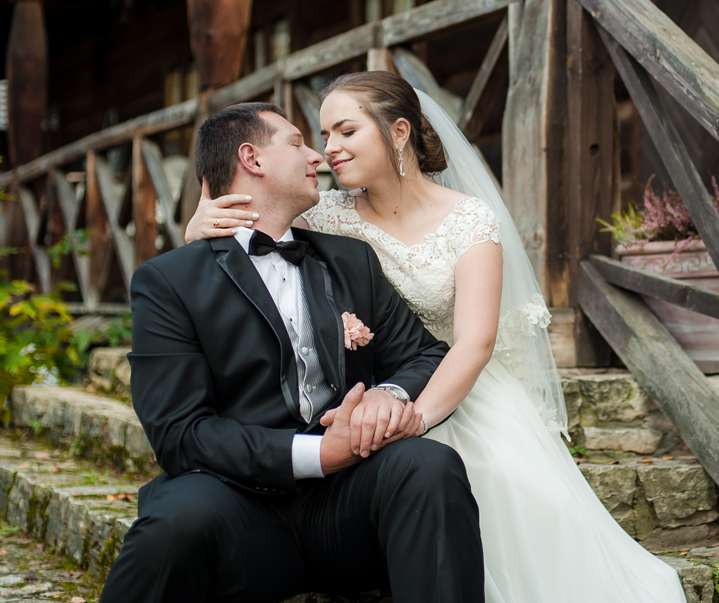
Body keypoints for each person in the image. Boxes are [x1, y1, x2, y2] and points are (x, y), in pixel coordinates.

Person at [188, 72, 686, 603]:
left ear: (398, 131)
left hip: (455, 389)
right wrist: (196, 231)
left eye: (345, 131)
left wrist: (417, 420)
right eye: (323, 134)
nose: (328, 148)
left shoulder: (468, 220)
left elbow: (475, 343)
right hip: (358, 393)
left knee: (503, 482)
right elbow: (254, 240)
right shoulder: (324, 211)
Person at [102, 102, 484, 603]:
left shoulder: (352, 260)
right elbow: (179, 433)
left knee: (428, 465)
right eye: (298, 142)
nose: (318, 157)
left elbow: (425, 354)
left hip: (347, 510)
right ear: (252, 158)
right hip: (237, 505)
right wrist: (318, 453)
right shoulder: (169, 282)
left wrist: (385, 396)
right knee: (175, 520)